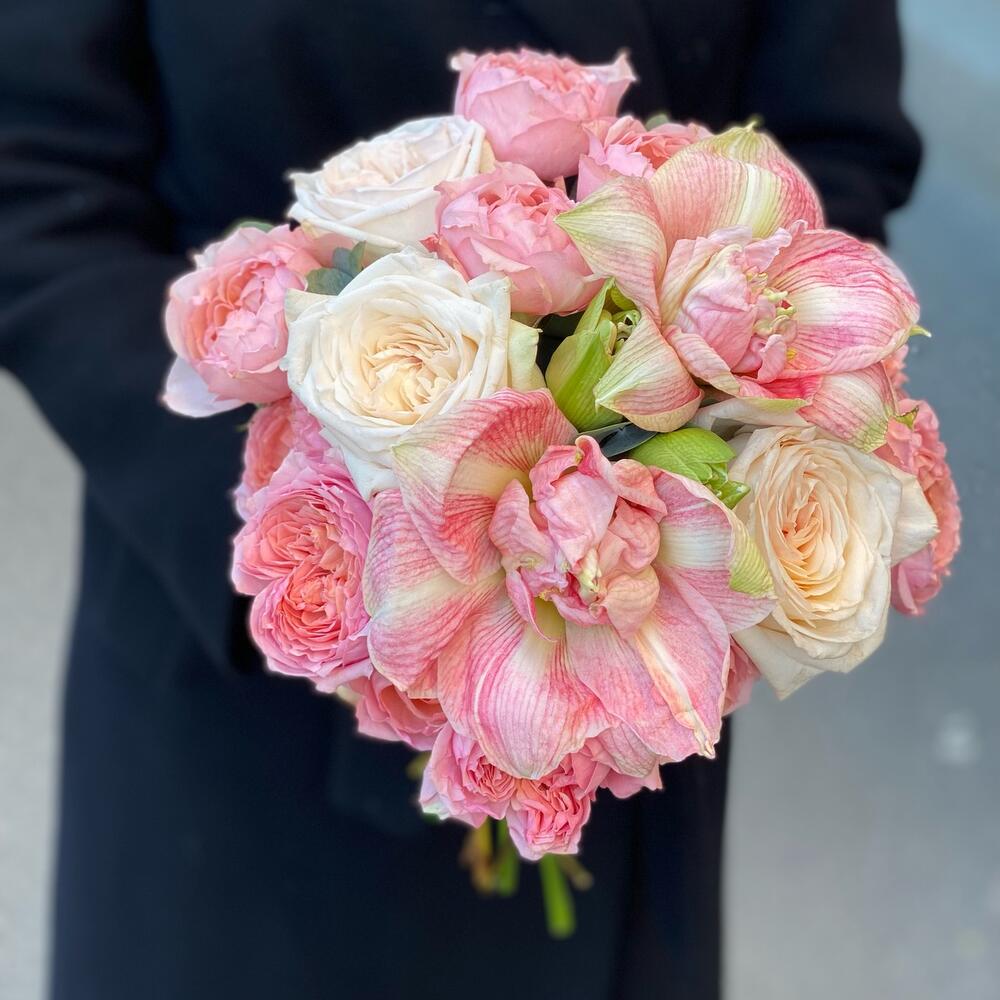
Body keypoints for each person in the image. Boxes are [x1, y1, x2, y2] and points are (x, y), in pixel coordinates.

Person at [0, 2, 919, 997]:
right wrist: (324, 520)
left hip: (622, 616)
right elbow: (34, 179)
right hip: (223, 678)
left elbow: (832, 145)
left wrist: (713, 390)